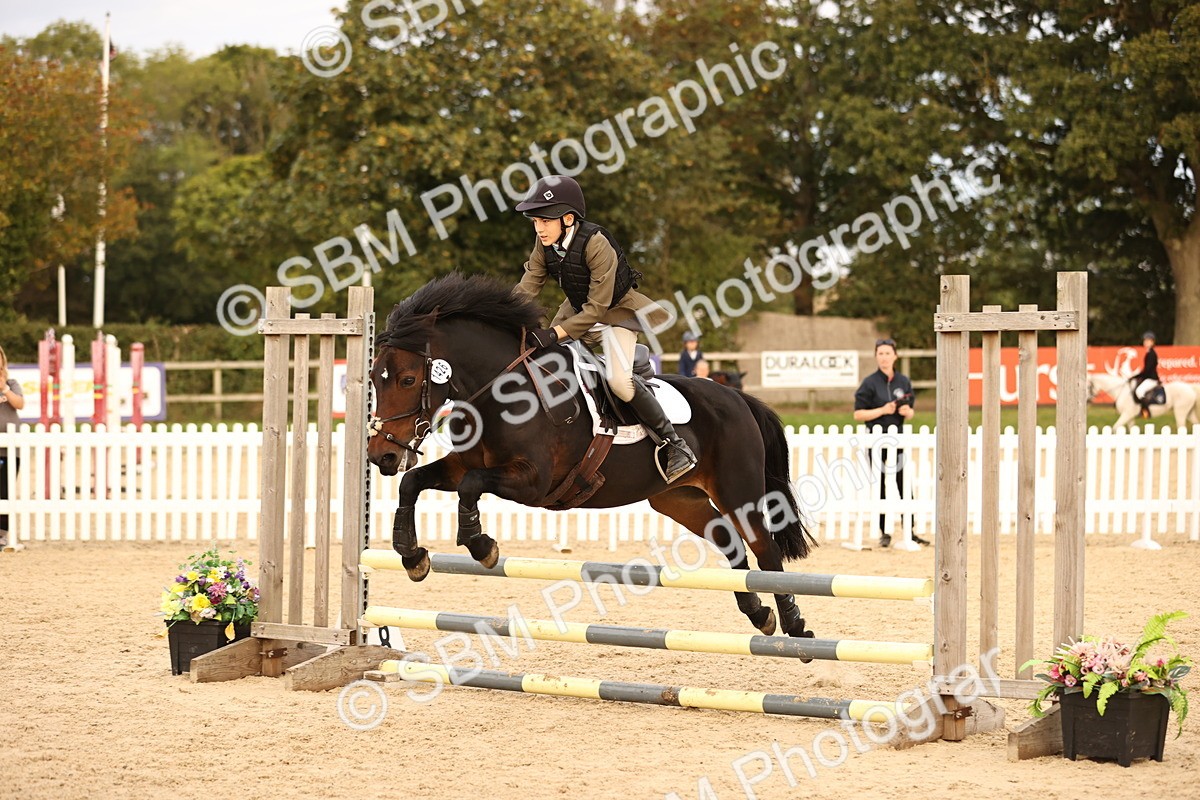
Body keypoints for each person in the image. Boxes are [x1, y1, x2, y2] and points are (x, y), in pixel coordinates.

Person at [512, 175, 698, 483]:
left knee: (619, 381)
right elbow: (528, 284)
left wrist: (554, 334)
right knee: (545, 360)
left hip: (615, 314)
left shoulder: (597, 244)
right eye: (535, 221)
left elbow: (597, 309)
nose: (539, 228)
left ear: (568, 218)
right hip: (576, 310)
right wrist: (505, 314)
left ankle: (674, 443)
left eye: (544, 221)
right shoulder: (544, 243)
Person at [853, 338, 927, 548]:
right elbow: (858, 414)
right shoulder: (869, 383)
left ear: (895, 355)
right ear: (876, 356)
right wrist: (882, 410)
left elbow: (910, 410)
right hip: (876, 444)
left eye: (887, 353)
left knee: (904, 484)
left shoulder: (903, 382)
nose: (884, 357)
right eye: (880, 353)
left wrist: (908, 412)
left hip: (898, 441)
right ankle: (885, 532)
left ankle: (909, 531)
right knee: (882, 485)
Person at [0, 345, 25, 547]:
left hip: (10, 449)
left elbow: (19, 404)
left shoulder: (11, 384)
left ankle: (2, 533)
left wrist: (4, 389)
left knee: (5, 490)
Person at [1130, 331, 1160, 419]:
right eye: (1145, 341)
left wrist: (1137, 376)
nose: (1146, 342)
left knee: (1139, 391)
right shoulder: (1148, 353)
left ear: (1153, 342)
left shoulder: (1152, 354)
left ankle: (1146, 412)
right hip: (1148, 377)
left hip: (1151, 379)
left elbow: (1148, 369)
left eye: (1148, 341)